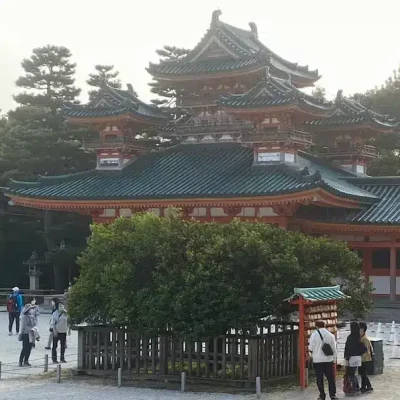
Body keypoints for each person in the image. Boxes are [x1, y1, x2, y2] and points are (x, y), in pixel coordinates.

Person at [309, 320, 338, 400]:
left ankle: (322, 395)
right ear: (324, 325)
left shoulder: (314, 335)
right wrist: (334, 360)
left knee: (319, 378)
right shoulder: (330, 335)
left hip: (317, 360)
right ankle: (332, 395)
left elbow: (310, 348)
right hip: (328, 360)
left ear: (316, 326)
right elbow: (334, 349)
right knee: (330, 378)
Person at [344, 321, 367, 396]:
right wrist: (359, 353)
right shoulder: (358, 337)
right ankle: (356, 389)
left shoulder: (350, 337)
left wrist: (347, 359)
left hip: (351, 358)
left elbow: (348, 349)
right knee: (353, 374)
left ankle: (355, 389)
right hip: (358, 358)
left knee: (351, 374)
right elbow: (364, 349)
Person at [359, 322, 374, 393]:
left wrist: (360, 358)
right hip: (364, 359)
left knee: (363, 374)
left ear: (362, 330)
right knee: (363, 374)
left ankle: (363, 388)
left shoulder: (364, 339)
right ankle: (369, 386)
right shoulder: (362, 337)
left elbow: (365, 350)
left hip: (365, 359)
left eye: (359, 329)